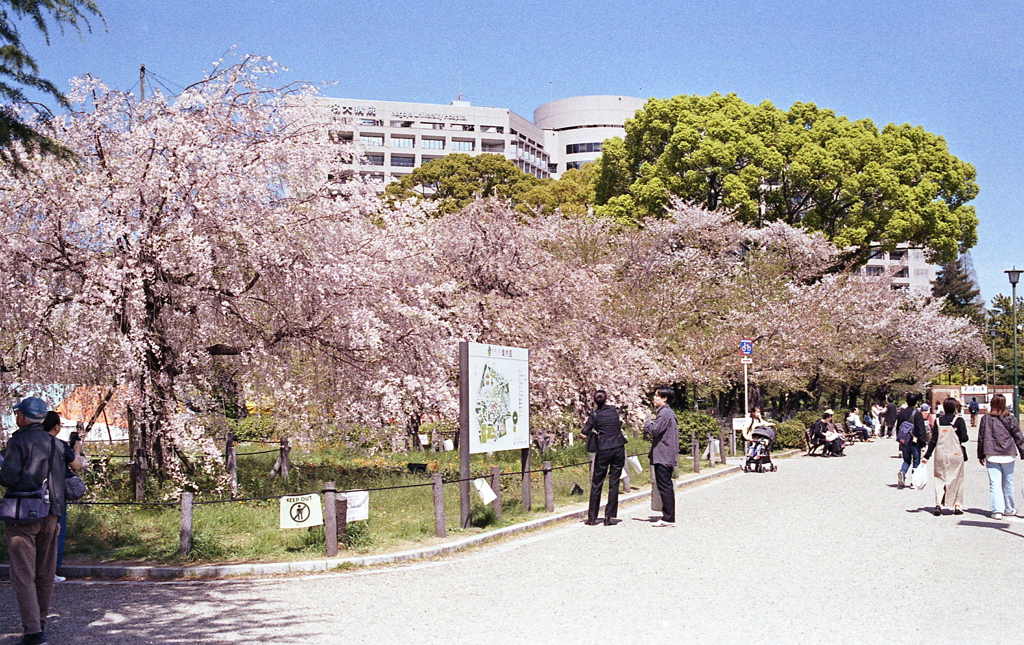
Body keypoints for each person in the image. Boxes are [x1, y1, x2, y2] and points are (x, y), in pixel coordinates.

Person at [1, 397, 68, 645]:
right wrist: (58, 513)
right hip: (51, 514)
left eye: (17, 413)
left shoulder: (18, 441)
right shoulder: (56, 444)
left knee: (23, 574)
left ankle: (33, 632)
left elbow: (7, 477)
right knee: (45, 573)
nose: (15, 417)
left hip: (23, 515)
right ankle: (40, 622)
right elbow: (61, 481)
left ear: (23, 416)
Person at [43, 411, 86, 582]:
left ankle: (36, 569)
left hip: (33, 492)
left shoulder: (33, 442)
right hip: (55, 493)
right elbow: (76, 465)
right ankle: (50, 570)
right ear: (56, 426)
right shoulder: (60, 445)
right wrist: (76, 450)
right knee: (55, 532)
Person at [581, 390, 627, 526]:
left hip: (604, 449)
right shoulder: (613, 411)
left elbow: (584, 431)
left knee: (597, 483)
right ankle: (609, 517)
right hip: (618, 447)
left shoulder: (594, 415)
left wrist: (592, 430)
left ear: (594, 401)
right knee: (614, 483)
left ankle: (592, 518)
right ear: (606, 399)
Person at [976, 393, 1024, 520]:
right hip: (1008, 453)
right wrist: (1022, 451)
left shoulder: (986, 419)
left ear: (992, 403)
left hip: (991, 453)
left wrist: (980, 454)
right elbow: (1018, 436)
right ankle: (1009, 508)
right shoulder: (1011, 418)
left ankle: (997, 510)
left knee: (994, 483)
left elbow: (981, 437)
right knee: (1008, 482)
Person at [921, 397, 969, 516]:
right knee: (956, 478)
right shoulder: (959, 420)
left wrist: (926, 456)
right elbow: (964, 438)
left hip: (940, 453)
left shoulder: (938, 421)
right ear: (955, 408)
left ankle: (938, 504)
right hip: (955, 453)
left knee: (940, 478)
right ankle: (957, 505)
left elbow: (933, 441)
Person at [644, 386, 678, 528]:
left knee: (664, 486)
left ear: (664, 398)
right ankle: (667, 515)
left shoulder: (664, 413)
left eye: (657, 395)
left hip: (663, 455)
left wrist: (645, 420)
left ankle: (668, 517)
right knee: (665, 485)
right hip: (665, 454)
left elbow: (655, 430)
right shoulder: (666, 413)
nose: (654, 397)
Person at [895, 393, 928, 488]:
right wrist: (923, 442)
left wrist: (900, 439)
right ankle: (914, 481)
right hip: (915, 441)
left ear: (907, 401)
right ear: (916, 402)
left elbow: (899, 427)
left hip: (904, 440)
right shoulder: (917, 414)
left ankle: (902, 471)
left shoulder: (901, 413)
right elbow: (921, 428)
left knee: (906, 460)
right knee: (916, 461)